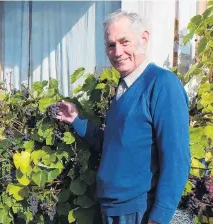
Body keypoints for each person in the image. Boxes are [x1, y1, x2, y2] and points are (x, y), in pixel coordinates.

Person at [55, 10, 191, 224]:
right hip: (112, 207)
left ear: (143, 39)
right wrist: (76, 120)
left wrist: (160, 216)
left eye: (124, 41)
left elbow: (177, 158)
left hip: (139, 210)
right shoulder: (123, 89)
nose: (117, 51)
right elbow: (113, 144)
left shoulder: (162, 84)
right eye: (111, 45)